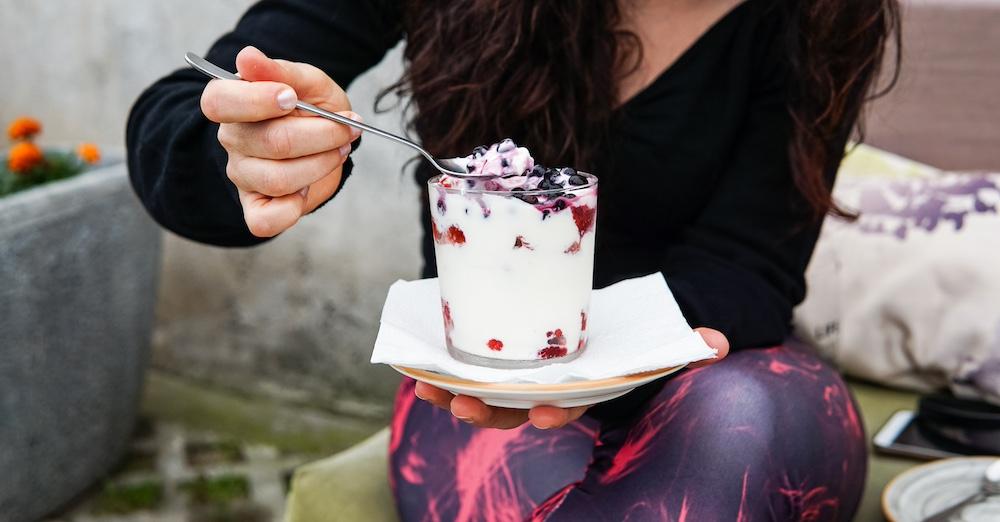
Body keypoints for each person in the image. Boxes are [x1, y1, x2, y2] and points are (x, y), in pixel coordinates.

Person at [127, 0, 899, 519]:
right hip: (480, 377)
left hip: (709, 365)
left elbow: (749, 262)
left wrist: (592, 357)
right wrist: (257, 150)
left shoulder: (822, 14)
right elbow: (176, 126)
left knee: (736, 423)